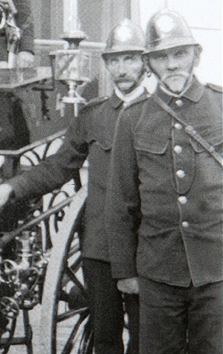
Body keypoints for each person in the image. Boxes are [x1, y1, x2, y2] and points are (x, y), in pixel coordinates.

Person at [0, 19, 148, 353]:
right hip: (100, 247)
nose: (121, 68)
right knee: (105, 340)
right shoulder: (93, 115)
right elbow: (58, 167)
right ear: (105, 65)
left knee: (147, 341)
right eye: (114, 60)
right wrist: (11, 188)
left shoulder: (159, 113)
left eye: (129, 59)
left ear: (144, 61)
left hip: (148, 248)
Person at [105, 9, 222, 354]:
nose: (172, 65)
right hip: (158, 272)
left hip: (216, 268)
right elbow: (121, 202)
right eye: (161, 57)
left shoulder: (221, 107)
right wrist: (126, 271)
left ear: (196, 55)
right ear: (149, 64)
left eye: (179, 54)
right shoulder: (133, 118)